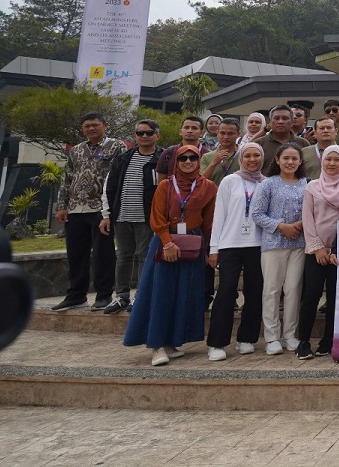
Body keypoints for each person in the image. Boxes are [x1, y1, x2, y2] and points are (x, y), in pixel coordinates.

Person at [122, 144, 216, 366]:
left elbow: (209, 222)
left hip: (193, 242)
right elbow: (156, 217)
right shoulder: (165, 185)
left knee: (185, 293)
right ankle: (156, 345)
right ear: (176, 161)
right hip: (166, 240)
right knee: (160, 292)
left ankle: (172, 342)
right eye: (183, 158)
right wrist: (167, 243)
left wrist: (209, 249)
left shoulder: (209, 187)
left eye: (193, 158)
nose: (188, 162)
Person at [52, 112, 125, 311]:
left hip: (102, 209)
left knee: (103, 254)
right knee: (76, 254)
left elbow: (120, 177)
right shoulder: (75, 150)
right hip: (76, 209)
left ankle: (103, 295)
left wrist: (113, 208)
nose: (91, 129)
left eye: (95, 125)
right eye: (87, 126)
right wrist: (61, 206)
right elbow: (66, 178)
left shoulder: (117, 146)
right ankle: (76, 295)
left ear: (105, 125)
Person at [206, 142, 266, 360]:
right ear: (241, 158)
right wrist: (214, 248)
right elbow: (219, 215)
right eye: (248, 155)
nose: (252, 160)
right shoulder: (230, 181)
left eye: (256, 156)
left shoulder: (266, 183)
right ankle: (217, 343)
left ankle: (247, 338)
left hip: (258, 245)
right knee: (226, 291)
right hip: (230, 244)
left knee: (254, 291)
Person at [100, 119, 163, 314]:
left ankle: (141, 297)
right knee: (123, 256)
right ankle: (121, 297)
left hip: (147, 218)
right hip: (122, 216)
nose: (144, 136)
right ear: (134, 136)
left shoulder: (162, 158)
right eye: (140, 133)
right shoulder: (123, 158)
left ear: (157, 135)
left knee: (144, 257)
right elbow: (109, 188)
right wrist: (106, 214)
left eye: (149, 133)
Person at [296, 145, 339, 359]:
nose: (331, 164)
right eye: (328, 159)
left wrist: (336, 249)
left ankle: (329, 339)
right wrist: (318, 248)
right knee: (310, 296)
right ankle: (303, 341)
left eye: (337, 160)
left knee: (335, 297)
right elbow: (308, 219)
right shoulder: (312, 187)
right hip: (316, 252)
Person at [251, 143, 307, 355]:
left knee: (293, 289)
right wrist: (282, 226)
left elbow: (311, 211)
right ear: (277, 160)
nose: (290, 162)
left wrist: (298, 226)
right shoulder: (268, 184)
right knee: (272, 290)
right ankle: (272, 337)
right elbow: (257, 214)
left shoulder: (305, 183)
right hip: (274, 243)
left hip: (299, 244)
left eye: (294, 158)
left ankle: (290, 334)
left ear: (301, 161)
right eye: (286, 158)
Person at [254, 106, 310, 172]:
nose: (280, 121)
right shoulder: (258, 144)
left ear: (292, 122)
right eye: (276, 118)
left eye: (285, 118)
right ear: (270, 122)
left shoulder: (303, 143)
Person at [156, 116, 206, 180]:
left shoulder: (207, 154)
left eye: (194, 128)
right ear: (180, 132)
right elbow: (161, 182)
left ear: (201, 133)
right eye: (186, 127)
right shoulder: (168, 153)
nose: (190, 131)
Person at [200, 118, 241, 184]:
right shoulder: (207, 157)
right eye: (222, 133)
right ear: (217, 133)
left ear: (238, 134)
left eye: (230, 133)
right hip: (214, 194)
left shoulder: (245, 155)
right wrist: (213, 164)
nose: (226, 137)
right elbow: (201, 182)